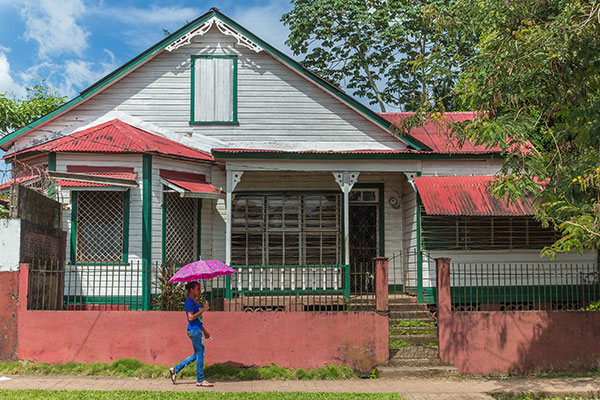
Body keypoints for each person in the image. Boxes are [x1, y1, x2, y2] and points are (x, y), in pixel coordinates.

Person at [169, 281, 214, 387]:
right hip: (194, 331)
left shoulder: (195, 302)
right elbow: (190, 317)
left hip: (197, 329)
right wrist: (203, 309)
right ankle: (200, 379)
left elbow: (197, 319)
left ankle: (175, 370)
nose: (200, 290)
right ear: (191, 290)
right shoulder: (189, 301)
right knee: (200, 353)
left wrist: (205, 330)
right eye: (198, 288)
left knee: (197, 354)